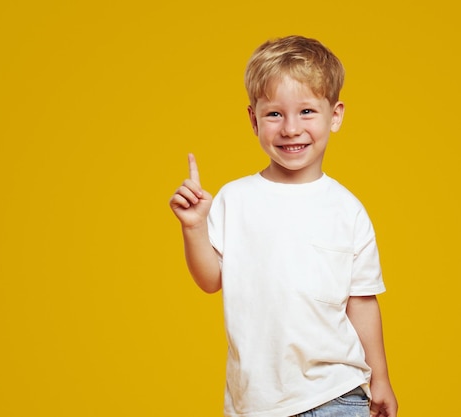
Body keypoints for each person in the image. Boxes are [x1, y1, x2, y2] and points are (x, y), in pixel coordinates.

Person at [169, 35, 398, 417]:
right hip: (255, 402)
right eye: (275, 114)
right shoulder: (234, 199)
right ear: (253, 119)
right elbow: (211, 280)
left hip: (337, 394)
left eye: (307, 111)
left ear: (335, 115)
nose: (291, 128)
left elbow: (361, 301)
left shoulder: (348, 210)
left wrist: (382, 378)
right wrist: (194, 227)